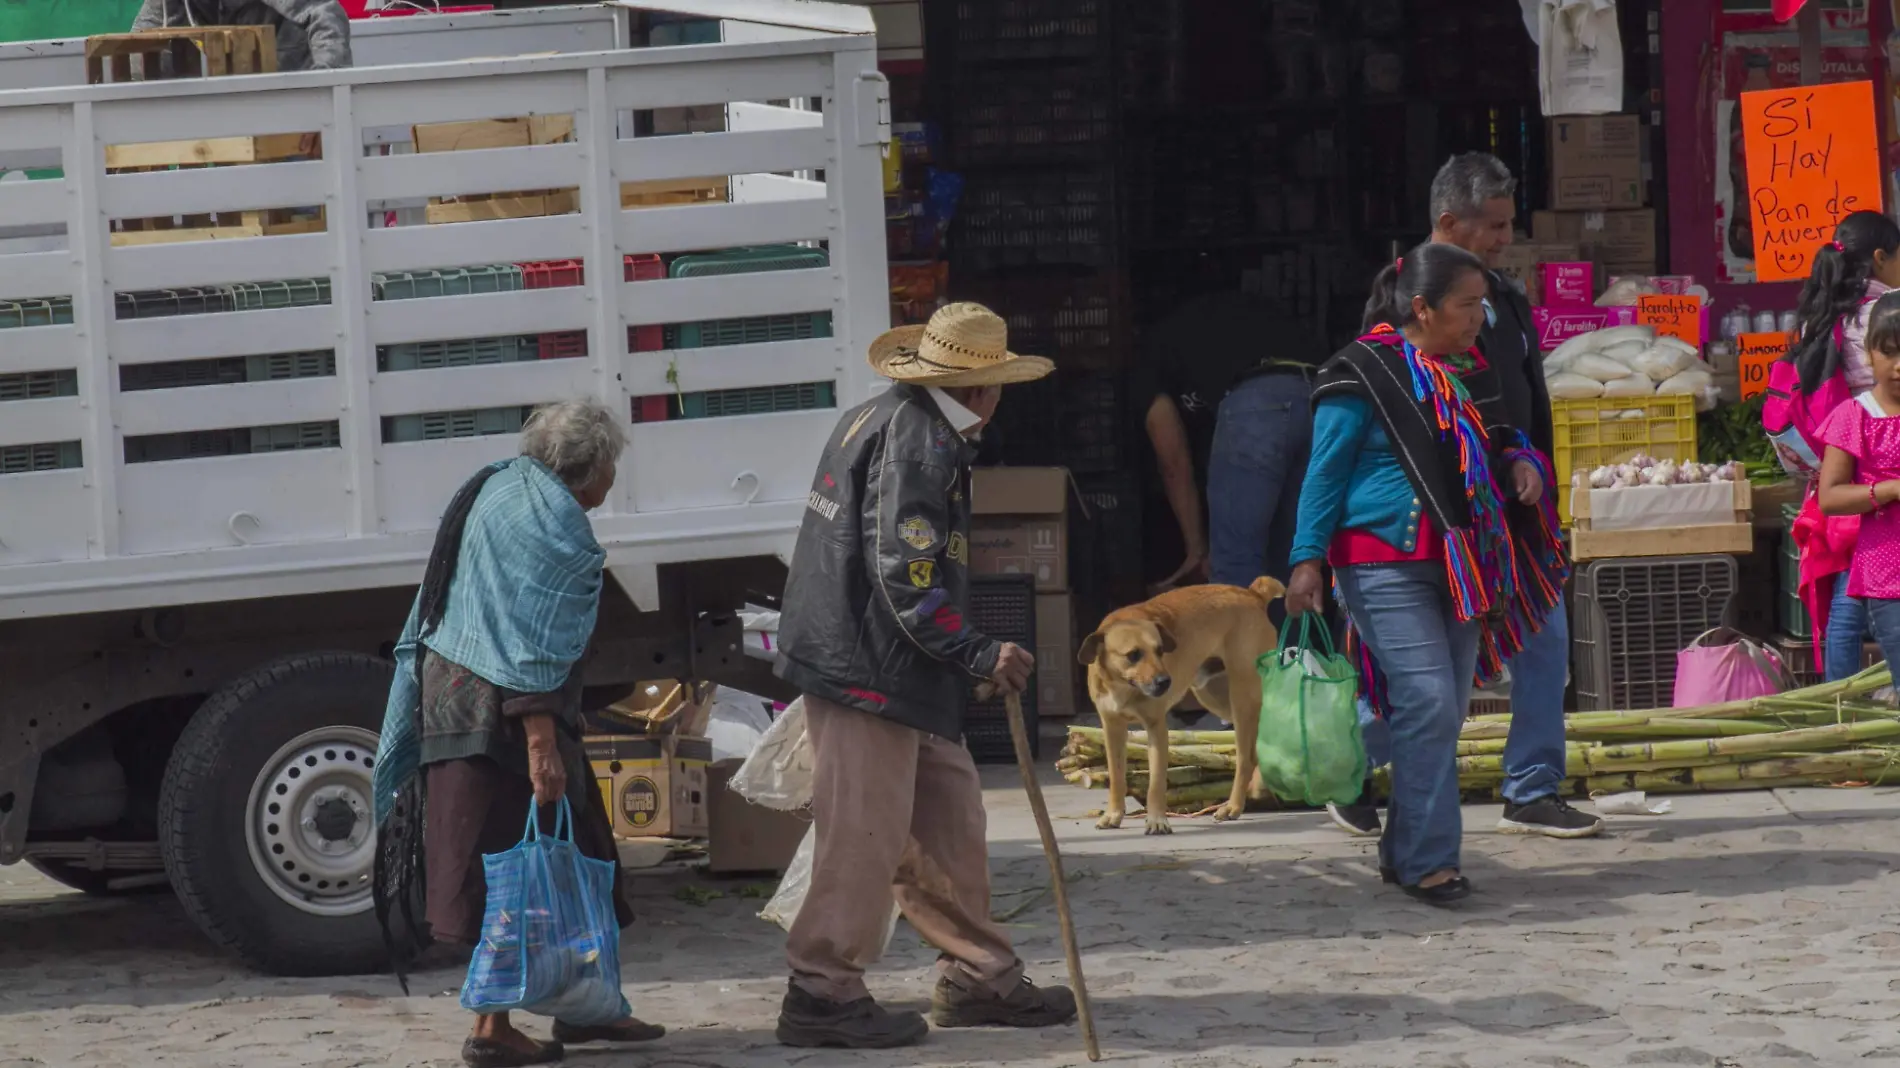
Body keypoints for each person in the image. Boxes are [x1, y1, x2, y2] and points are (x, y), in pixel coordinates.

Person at [772, 303, 1078, 1049]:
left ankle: (979, 973)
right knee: (865, 835)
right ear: (985, 389)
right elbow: (903, 577)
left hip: (890, 664)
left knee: (950, 814)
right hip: (868, 669)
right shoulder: (919, 442)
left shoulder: (895, 416)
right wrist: (980, 651)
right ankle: (822, 988)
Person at [370, 401, 664, 1068]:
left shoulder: (502, 483)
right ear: (587, 468)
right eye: (611, 464)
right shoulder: (549, 519)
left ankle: (588, 1006)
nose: (614, 478)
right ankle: (491, 1028)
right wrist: (541, 743)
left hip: (468, 695)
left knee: (582, 846)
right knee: (505, 867)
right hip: (493, 716)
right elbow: (528, 640)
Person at [1327, 153, 1600, 841]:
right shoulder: (1397, 295)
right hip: (1437, 522)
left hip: (1515, 502)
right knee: (1421, 678)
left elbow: (1526, 401)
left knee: (1544, 640)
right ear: (1450, 223)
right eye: (1496, 225)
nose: (1508, 238)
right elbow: (1376, 413)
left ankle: (1533, 786)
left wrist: (1531, 468)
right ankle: (1355, 770)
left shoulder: (1505, 299)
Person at [1285, 242, 1560, 905]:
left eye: (1482, 305)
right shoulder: (1360, 372)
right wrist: (1305, 559)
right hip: (1381, 561)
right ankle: (1430, 861)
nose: (1478, 318)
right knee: (1430, 701)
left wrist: (1520, 461)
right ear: (1422, 307)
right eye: (1467, 305)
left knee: (1437, 710)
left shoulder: (1472, 369)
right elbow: (1324, 472)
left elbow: (1499, 437)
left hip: (1465, 563)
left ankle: (1402, 847)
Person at [1785, 212, 1900, 682]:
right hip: (1875, 461)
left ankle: (1837, 701)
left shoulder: (1826, 311)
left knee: (1852, 588)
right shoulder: (1887, 309)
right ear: (1880, 258)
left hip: (1841, 461)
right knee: (1869, 589)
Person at [1817, 291, 1900, 672]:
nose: (1898, 366)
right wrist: (1890, 490)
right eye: (1889, 352)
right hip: (1888, 575)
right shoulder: (1855, 415)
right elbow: (1829, 497)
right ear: (1869, 353)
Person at [133, 0, 353, 71]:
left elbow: (326, 16)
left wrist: (325, 101)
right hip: (236, 112)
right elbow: (141, 43)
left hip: (295, 99)